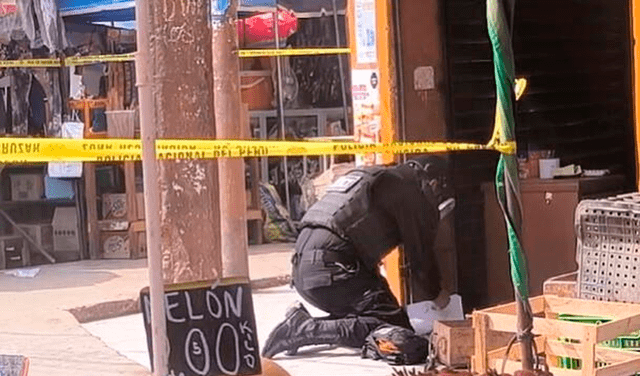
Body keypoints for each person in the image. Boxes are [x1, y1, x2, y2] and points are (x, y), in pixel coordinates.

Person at [262, 156, 451, 359]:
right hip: (333, 271)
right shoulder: (409, 188)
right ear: (431, 180)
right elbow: (420, 258)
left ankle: (304, 322)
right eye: (439, 190)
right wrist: (440, 297)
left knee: (384, 313)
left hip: (307, 270)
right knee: (393, 327)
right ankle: (304, 329)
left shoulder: (373, 177)